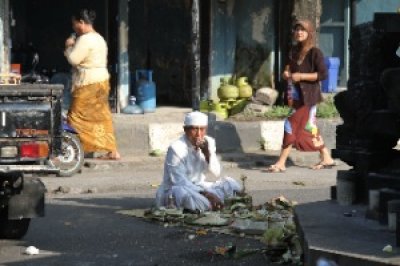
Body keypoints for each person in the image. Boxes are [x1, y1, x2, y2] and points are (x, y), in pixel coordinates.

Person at [266, 19, 336, 172]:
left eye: (302, 30)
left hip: (308, 98)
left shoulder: (315, 52)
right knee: (310, 127)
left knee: (290, 125)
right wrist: (286, 73)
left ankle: (281, 162)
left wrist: (302, 76)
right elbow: (288, 66)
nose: (299, 33)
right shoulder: (293, 51)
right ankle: (326, 157)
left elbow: (323, 74)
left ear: (309, 33)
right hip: (295, 97)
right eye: (297, 30)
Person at [155, 111, 241, 212]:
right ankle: (209, 205)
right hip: (178, 190)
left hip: (200, 186)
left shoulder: (209, 142)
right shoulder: (176, 148)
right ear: (185, 130)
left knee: (231, 184)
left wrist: (207, 153)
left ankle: (209, 205)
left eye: (202, 129)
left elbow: (217, 172)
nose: (199, 134)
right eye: (195, 129)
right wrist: (207, 195)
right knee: (185, 195)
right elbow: (179, 181)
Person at [64, 8, 120, 160]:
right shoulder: (99, 38)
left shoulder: (85, 39)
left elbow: (74, 59)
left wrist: (69, 46)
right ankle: (112, 150)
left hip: (88, 83)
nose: (74, 27)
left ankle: (72, 149)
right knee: (101, 115)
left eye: (74, 24)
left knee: (75, 116)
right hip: (101, 81)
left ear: (81, 22)